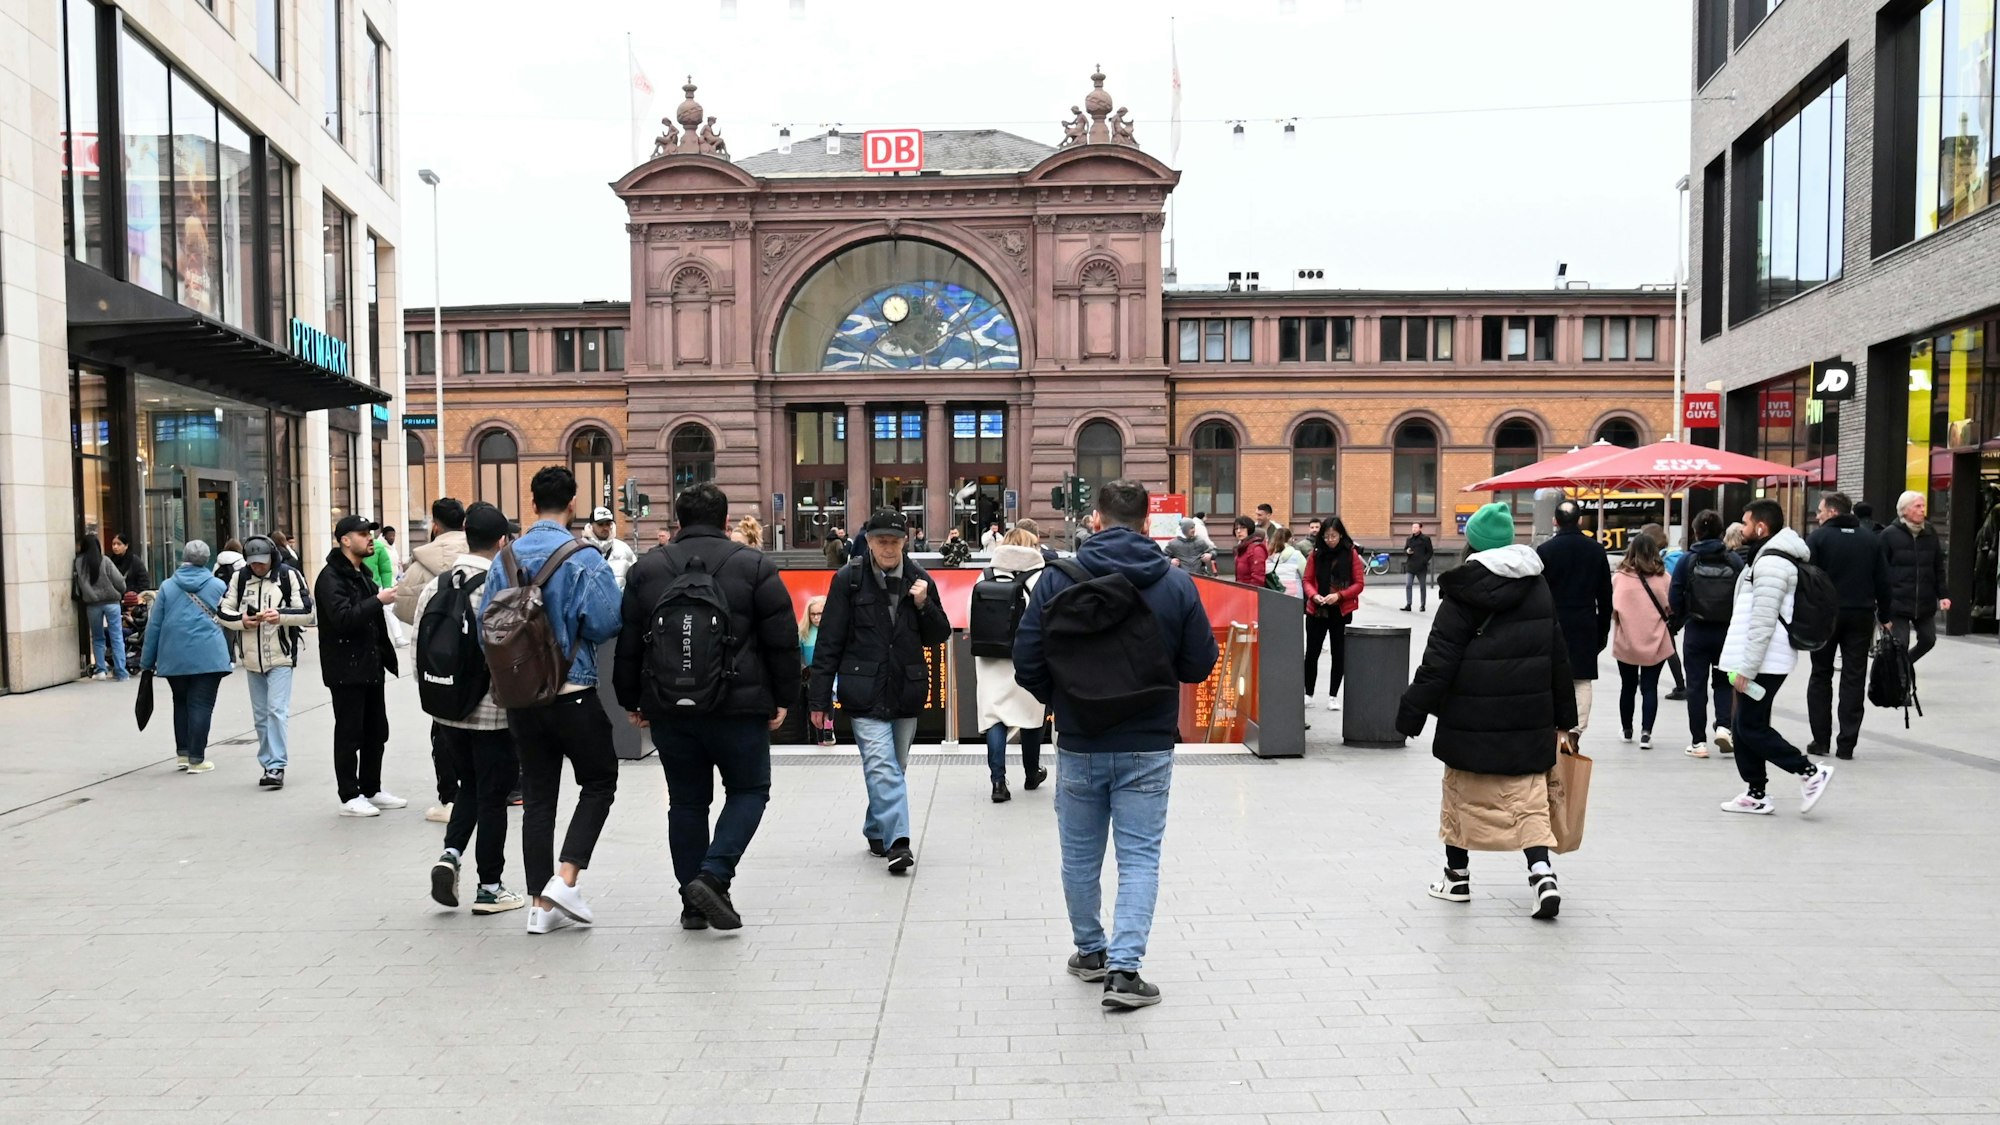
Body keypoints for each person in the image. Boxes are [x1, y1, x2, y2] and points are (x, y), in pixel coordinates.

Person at [1014, 480, 1219, 1009]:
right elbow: (1199, 663)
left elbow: (1026, 660)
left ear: (1096, 521)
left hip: (1081, 739)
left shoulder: (1056, 579)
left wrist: (1065, 700)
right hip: (1148, 741)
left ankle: (1090, 953)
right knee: (1140, 858)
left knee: (1079, 856)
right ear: (1148, 524)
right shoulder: (1175, 585)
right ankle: (1126, 972)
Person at [617, 482, 800, 931]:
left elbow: (629, 641)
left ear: (678, 521)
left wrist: (631, 700)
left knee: (686, 803)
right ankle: (714, 875)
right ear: (725, 521)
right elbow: (782, 640)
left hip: (670, 707)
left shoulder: (648, 567)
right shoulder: (754, 565)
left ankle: (692, 904)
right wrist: (783, 697)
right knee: (749, 791)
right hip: (739, 707)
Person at [1397, 502, 1576, 921]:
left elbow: (1438, 661)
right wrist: (1566, 719)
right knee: (1529, 799)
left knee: (1459, 795)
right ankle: (1541, 873)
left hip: (1469, 717)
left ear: (1473, 542)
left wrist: (1410, 715)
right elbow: (1557, 656)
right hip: (1528, 716)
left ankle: (1456, 877)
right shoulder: (1537, 585)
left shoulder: (1462, 591)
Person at [480, 466, 625, 935]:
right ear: (573, 501)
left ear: (532, 500)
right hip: (573, 693)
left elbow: (488, 623)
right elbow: (606, 623)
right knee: (600, 781)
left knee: (538, 797)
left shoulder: (504, 559)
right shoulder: (583, 557)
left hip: (521, 699)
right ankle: (566, 879)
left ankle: (540, 907)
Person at [808, 509, 951, 875]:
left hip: (905, 688)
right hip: (863, 688)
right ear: (868, 543)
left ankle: (876, 828)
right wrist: (819, 699)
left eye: (895, 541)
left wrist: (924, 605)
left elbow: (940, 634)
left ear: (907, 542)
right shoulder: (849, 580)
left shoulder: (920, 580)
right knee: (882, 765)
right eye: (881, 541)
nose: (888, 548)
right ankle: (898, 842)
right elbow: (829, 641)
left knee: (894, 767)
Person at [420, 502, 527, 916]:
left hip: (447, 710)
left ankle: (450, 855)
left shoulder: (439, 583)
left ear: (466, 533)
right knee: (493, 796)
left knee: (469, 786)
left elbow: (419, 649)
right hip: (492, 713)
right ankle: (490, 887)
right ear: (502, 541)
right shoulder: (501, 588)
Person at [1717, 499, 1834, 816]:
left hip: (1765, 660)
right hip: (1761, 658)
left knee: (1751, 727)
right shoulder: (1766, 558)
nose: (1741, 529)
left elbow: (1763, 621)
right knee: (1744, 726)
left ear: (1761, 526)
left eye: (1745, 522)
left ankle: (1809, 772)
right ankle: (1756, 793)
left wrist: (1747, 669)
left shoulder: (1771, 564)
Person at [315, 516, 407, 817]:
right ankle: (349, 795)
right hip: (345, 669)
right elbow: (342, 619)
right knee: (349, 733)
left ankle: (371, 788)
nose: (370, 538)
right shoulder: (330, 578)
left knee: (376, 730)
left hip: (370, 666)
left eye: (371, 533)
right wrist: (377, 600)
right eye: (363, 533)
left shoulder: (361, 574)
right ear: (345, 540)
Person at [394, 498, 471, 822]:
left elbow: (404, 609)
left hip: (440, 659)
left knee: (442, 727)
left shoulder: (421, 563)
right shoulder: (481, 551)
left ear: (435, 525)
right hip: (478, 657)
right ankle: (485, 791)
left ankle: (450, 798)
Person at [218, 535, 315, 789]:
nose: (258, 567)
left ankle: (276, 765)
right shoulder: (239, 578)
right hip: (251, 658)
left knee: (276, 710)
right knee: (261, 715)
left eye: (262, 562)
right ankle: (267, 762)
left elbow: (307, 612)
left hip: (281, 655)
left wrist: (279, 615)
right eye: (253, 562)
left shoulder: (288, 576)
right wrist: (242, 621)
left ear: (272, 557)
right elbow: (222, 610)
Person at [1804, 491, 1893, 760]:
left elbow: (1808, 579)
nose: (1817, 516)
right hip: (1861, 614)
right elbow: (1883, 580)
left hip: (1825, 615)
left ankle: (1820, 741)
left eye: (1820, 511)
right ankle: (1847, 743)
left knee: (1821, 674)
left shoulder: (1817, 539)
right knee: (1854, 676)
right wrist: (1886, 614)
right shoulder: (1870, 539)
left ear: (1832, 512)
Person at [140, 541, 233, 774]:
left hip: (173, 655)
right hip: (208, 655)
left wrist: (147, 662)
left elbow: (154, 626)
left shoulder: (167, 587)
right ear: (207, 560)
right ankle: (197, 758)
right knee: (201, 704)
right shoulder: (217, 585)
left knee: (180, 702)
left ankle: (182, 754)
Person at [977, 528, 1050, 803]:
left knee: (995, 717)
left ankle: (998, 782)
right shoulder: (1041, 576)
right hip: (1029, 654)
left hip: (990, 656)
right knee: (1031, 716)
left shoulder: (985, 575)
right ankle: (1032, 774)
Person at [1537, 501, 1613, 749]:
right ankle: (1575, 731)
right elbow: (1605, 596)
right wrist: (1602, 631)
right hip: (1585, 622)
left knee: (1551, 677)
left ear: (1555, 521)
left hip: (1553, 622)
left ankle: (1553, 728)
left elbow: (1538, 592)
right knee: (1581, 680)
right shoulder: (1596, 550)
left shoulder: (1545, 551)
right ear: (1580, 520)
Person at [1668, 509, 1743, 759]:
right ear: (1721, 532)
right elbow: (1744, 594)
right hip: (1726, 632)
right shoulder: (1733, 561)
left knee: (1696, 687)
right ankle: (1724, 727)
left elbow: (1674, 596)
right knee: (1723, 682)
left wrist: (1679, 621)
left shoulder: (1687, 560)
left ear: (1695, 532)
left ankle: (1698, 741)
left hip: (1696, 631)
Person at [1611, 534, 1674, 750]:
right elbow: (1669, 607)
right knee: (1650, 688)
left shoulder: (1620, 577)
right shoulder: (1664, 577)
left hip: (1627, 640)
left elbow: (1614, 608)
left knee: (1627, 687)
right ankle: (1646, 733)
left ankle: (1627, 729)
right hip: (1655, 639)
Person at [1303, 518, 1365, 712]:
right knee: (1312, 652)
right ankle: (1308, 693)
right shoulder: (1316, 554)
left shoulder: (1351, 554)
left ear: (1341, 535)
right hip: (1317, 610)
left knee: (1339, 654)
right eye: (1326, 536)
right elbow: (1307, 579)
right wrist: (1314, 595)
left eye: (1334, 536)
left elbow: (1359, 584)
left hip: (1341, 610)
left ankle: (1333, 696)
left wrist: (1339, 595)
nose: (1330, 540)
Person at [1882, 490, 1949, 667]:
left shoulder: (1930, 532)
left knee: (1928, 640)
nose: (1922, 510)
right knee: (1900, 644)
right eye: (1917, 506)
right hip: (1898, 601)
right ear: (1904, 510)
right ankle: (1901, 689)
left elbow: (1938, 566)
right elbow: (1880, 569)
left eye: (1923, 506)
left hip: (1924, 601)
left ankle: (1904, 665)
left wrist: (1943, 595)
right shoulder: (1889, 534)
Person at [1638, 523, 1689, 701]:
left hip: (1659, 609)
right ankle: (1679, 684)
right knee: (1667, 645)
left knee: (1666, 646)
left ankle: (1681, 685)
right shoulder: (1676, 554)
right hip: (1674, 610)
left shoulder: (1658, 559)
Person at [73, 533, 128, 681]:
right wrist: (119, 591)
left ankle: (101, 670)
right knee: (117, 637)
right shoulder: (105, 561)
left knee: (97, 638)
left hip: (93, 605)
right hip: (112, 603)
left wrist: (92, 596)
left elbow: (82, 585)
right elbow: (120, 582)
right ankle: (121, 672)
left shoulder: (79, 563)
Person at [583, 507, 639, 589]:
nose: (605, 528)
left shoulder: (624, 549)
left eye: (608, 524)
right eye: (600, 524)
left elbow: (636, 579)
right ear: (591, 526)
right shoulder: (581, 550)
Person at [213, 539, 245, 664]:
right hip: (239, 597)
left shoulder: (218, 562)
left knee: (228, 628)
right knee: (243, 626)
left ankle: (230, 657)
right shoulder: (242, 561)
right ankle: (243, 653)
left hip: (224, 597)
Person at [1264, 526, 1306, 598]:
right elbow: (1306, 575)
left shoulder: (1267, 556)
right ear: (1290, 539)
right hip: (1294, 597)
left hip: (1273, 596)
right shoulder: (1296, 555)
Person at [1402, 522, 1435, 612]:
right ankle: (1408, 604)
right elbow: (1405, 549)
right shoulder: (1409, 539)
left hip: (1421, 566)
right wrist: (1407, 552)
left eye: (1416, 527)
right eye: (1413, 527)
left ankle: (1422, 604)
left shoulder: (1425, 539)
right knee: (1408, 584)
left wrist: (1424, 560)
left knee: (1422, 586)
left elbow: (1430, 552)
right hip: (1411, 564)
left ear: (1420, 528)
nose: (1414, 529)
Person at [1232, 516, 1268, 586]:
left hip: (1250, 593)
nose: (1238, 531)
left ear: (1250, 529)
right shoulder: (1241, 548)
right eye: (1236, 528)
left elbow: (1258, 578)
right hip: (1241, 591)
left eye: (1242, 528)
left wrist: (1249, 594)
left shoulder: (1256, 549)